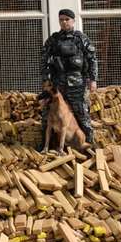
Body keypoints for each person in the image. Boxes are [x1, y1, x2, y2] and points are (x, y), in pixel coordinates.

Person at [40, 9, 98, 148]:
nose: (64, 22)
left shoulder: (81, 39)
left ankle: (90, 143)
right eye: (61, 19)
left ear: (73, 20)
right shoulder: (54, 40)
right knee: (48, 114)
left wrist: (93, 79)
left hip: (77, 83)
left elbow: (92, 59)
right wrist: (46, 79)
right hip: (57, 85)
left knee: (82, 113)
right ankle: (45, 144)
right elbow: (44, 60)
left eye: (67, 19)